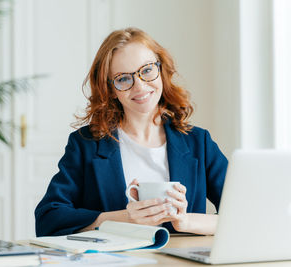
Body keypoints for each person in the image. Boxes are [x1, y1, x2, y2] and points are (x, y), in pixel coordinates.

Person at [35, 27, 228, 237]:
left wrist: (185, 221)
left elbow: (245, 214)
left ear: (161, 70)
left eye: (146, 70)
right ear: (110, 89)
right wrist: (123, 218)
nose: (139, 86)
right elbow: (48, 218)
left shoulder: (199, 142)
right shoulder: (86, 144)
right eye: (123, 79)